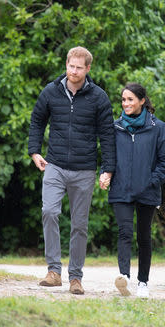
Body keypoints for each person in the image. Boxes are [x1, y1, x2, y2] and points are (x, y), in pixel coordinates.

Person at [28, 46, 115, 295]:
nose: (73, 71)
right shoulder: (51, 91)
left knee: (79, 224)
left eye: (79, 67)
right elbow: (37, 120)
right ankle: (54, 272)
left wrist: (107, 169)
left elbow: (107, 135)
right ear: (66, 65)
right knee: (49, 211)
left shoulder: (99, 97)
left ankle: (75, 277)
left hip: (85, 170)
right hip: (54, 165)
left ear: (88, 69)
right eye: (70, 66)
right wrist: (35, 152)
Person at [107, 83, 165, 298]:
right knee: (125, 232)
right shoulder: (115, 127)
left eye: (130, 99)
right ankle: (124, 278)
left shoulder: (158, 127)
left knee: (144, 237)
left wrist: (151, 181)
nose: (126, 103)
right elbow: (109, 157)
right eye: (123, 100)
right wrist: (105, 173)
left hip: (147, 190)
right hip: (120, 189)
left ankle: (143, 283)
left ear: (142, 101)